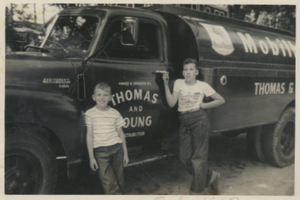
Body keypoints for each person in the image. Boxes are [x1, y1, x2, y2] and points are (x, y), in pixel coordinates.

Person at [162, 58, 225, 195]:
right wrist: (166, 85)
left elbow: (221, 99)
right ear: (183, 72)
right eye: (185, 70)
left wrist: (205, 105)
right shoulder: (178, 83)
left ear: (196, 72)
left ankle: (196, 191)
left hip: (199, 120)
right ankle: (210, 176)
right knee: (184, 157)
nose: (188, 72)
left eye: (191, 70)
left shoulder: (202, 85)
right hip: (184, 121)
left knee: (198, 157)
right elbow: (172, 103)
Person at [85, 82, 129, 194]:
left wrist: (125, 154)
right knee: (108, 182)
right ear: (94, 97)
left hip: (117, 149)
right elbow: (89, 136)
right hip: (101, 152)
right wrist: (91, 157)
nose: (102, 97)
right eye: (99, 95)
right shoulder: (90, 114)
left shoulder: (115, 113)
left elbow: (121, 134)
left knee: (120, 179)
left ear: (110, 97)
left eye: (105, 95)